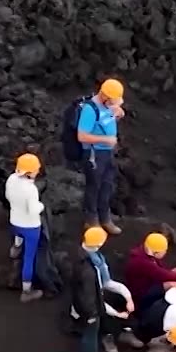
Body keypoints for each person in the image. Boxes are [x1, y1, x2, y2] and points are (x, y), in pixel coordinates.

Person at [68, 226, 133, 352]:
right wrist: (93, 314)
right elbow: (89, 296)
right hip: (90, 311)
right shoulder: (88, 270)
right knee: (89, 338)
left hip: (90, 307)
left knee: (94, 337)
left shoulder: (86, 258)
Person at [76, 78, 126, 235]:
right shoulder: (90, 110)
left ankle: (105, 218)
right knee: (94, 186)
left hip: (107, 153)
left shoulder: (108, 105)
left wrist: (119, 113)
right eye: (113, 101)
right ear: (104, 96)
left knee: (107, 185)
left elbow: (109, 117)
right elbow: (82, 136)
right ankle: (91, 221)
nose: (114, 104)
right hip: (94, 154)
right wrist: (106, 140)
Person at [124, 232, 176, 340]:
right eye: (164, 250)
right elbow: (163, 275)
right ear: (156, 252)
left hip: (145, 283)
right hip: (141, 293)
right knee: (171, 284)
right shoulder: (145, 263)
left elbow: (159, 270)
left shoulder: (143, 254)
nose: (165, 252)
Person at [5, 153, 46, 303]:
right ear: (29, 172)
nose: (38, 171)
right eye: (36, 169)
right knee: (29, 258)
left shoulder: (11, 179)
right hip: (30, 226)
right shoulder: (31, 189)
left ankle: (15, 249)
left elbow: (8, 197)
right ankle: (26, 291)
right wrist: (42, 206)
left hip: (14, 220)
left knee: (18, 237)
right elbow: (34, 210)